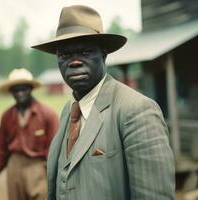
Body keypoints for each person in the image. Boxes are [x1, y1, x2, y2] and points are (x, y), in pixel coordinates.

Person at [32, 5, 175, 200]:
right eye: (64, 55)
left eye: (84, 52)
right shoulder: (68, 111)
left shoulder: (136, 110)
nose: (73, 62)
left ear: (104, 55)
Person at [0, 68, 59, 200]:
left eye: (23, 89)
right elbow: (0, 150)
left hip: (38, 168)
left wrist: (53, 178)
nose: (20, 93)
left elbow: (55, 151)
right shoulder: (7, 116)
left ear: (31, 88)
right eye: (15, 90)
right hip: (14, 168)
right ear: (11, 91)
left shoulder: (48, 114)